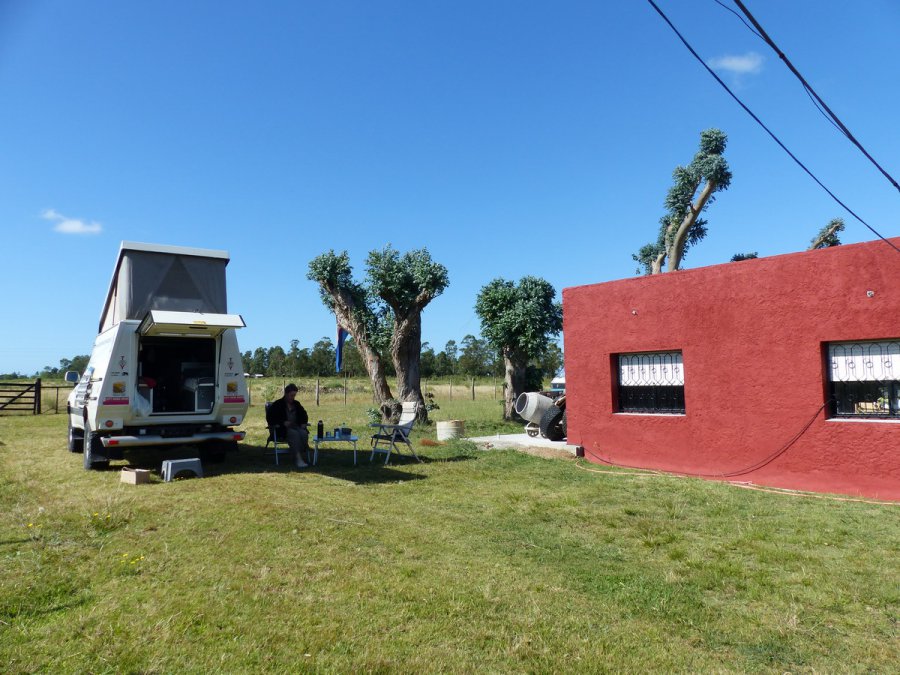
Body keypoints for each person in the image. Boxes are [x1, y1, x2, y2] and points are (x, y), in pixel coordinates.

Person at [266, 383, 311, 468]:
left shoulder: (296, 404)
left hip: (296, 427)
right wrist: (282, 422)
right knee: (294, 434)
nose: (293, 397)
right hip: (282, 430)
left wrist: (303, 423)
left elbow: (304, 415)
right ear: (286, 394)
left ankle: (297, 453)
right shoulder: (277, 404)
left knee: (304, 433)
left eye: (294, 395)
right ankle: (298, 459)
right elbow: (270, 418)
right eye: (291, 395)